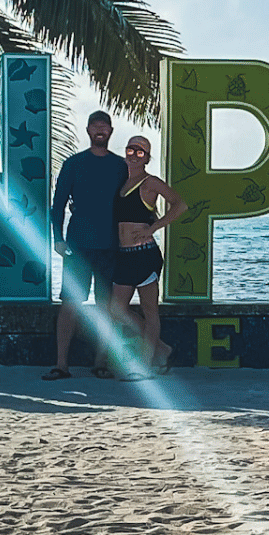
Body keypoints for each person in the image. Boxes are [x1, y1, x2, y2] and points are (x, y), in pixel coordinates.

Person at [44, 111, 127, 380]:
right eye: (95, 126)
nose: (100, 130)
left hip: (111, 247)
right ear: (88, 130)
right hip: (77, 246)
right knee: (70, 304)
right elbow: (57, 205)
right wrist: (57, 238)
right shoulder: (73, 164)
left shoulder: (121, 166)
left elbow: (132, 205)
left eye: (104, 126)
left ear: (111, 131)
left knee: (106, 307)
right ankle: (61, 364)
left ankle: (101, 363)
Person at [108, 134, 186, 380]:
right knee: (116, 311)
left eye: (140, 152)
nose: (134, 155)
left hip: (144, 255)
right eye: (130, 150)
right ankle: (161, 348)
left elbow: (180, 205)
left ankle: (144, 365)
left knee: (150, 310)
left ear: (147, 158)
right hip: (124, 255)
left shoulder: (150, 182)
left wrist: (153, 228)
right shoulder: (121, 182)